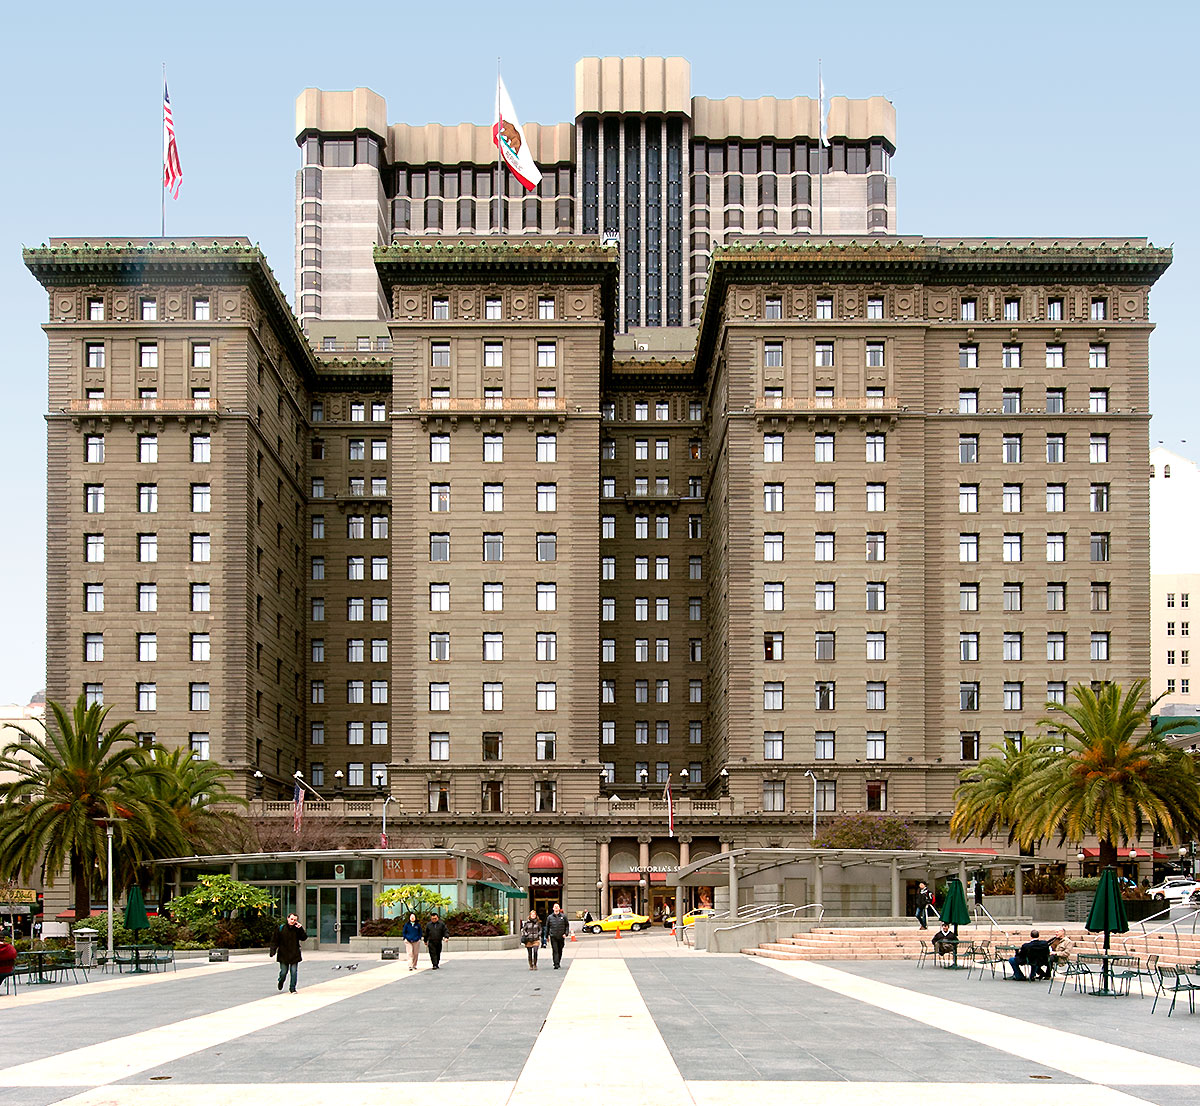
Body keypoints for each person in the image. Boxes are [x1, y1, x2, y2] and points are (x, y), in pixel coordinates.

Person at [269, 913, 308, 993]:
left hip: (294, 954)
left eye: (295, 920)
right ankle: (281, 981)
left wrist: (301, 928)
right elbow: (275, 940)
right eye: (291, 919)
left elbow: (304, 938)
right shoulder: (281, 928)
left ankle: (292, 988)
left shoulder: (297, 929)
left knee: (294, 972)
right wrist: (272, 951)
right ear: (288, 918)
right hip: (283, 954)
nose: (293, 921)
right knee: (283, 972)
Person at [545, 903, 570, 969]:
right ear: (553, 908)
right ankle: (556, 964)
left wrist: (566, 933)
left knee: (560, 950)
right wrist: (546, 936)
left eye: (557, 907)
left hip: (561, 936)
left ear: (559, 908)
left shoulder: (563, 916)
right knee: (555, 950)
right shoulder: (550, 917)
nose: (556, 908)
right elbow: (547, 927)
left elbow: (567, 925)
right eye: (555, 907)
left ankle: (558, 961)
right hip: (553, 936)